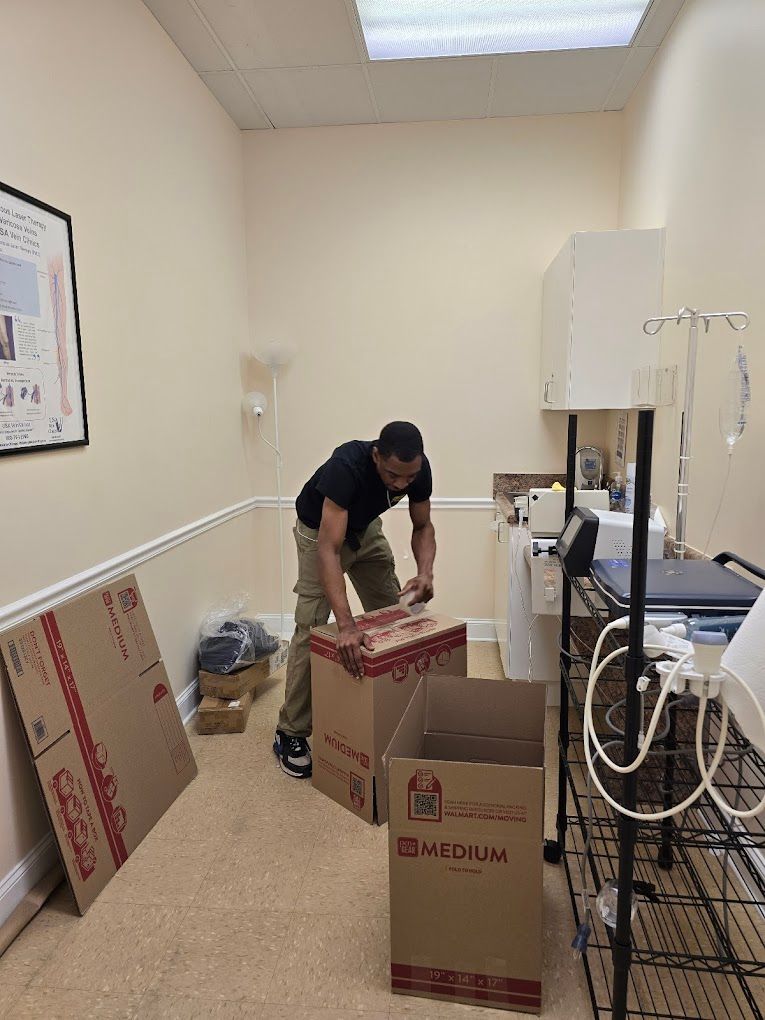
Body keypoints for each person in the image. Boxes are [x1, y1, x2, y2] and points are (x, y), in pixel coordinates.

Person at [273, 421, 436, 778]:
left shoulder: (417, 470)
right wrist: (346, 625)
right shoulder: (346, 466)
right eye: (393, 475)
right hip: (320, 531)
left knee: (396, 613)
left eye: (408, 479)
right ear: (376, 455)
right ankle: (291, 731)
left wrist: (426, 572)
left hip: (364, 527)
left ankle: (394, 706)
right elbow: (329, 550)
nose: (400, 485)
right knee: (314, 626)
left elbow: (422, 526)